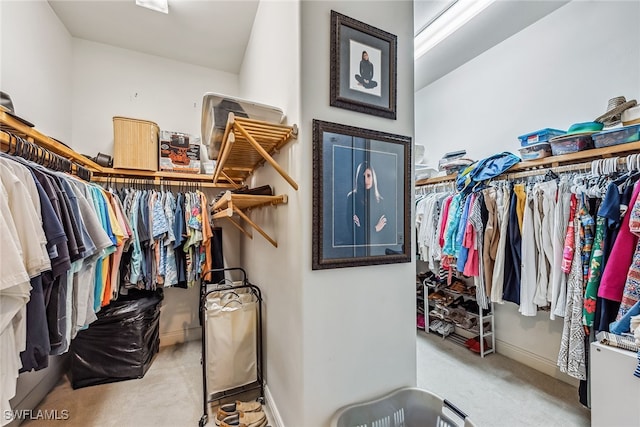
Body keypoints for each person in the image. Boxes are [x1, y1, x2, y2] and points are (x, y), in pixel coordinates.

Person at [346, 161, 388, 246]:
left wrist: (362, 228)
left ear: (373, 177)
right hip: (358, 246)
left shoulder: (380, 201)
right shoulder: (352, 198)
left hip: (378, 247)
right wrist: (375, 228)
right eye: (363, 176)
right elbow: (355, 231)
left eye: (368, 176)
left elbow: (384, 231)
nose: (366, 180)